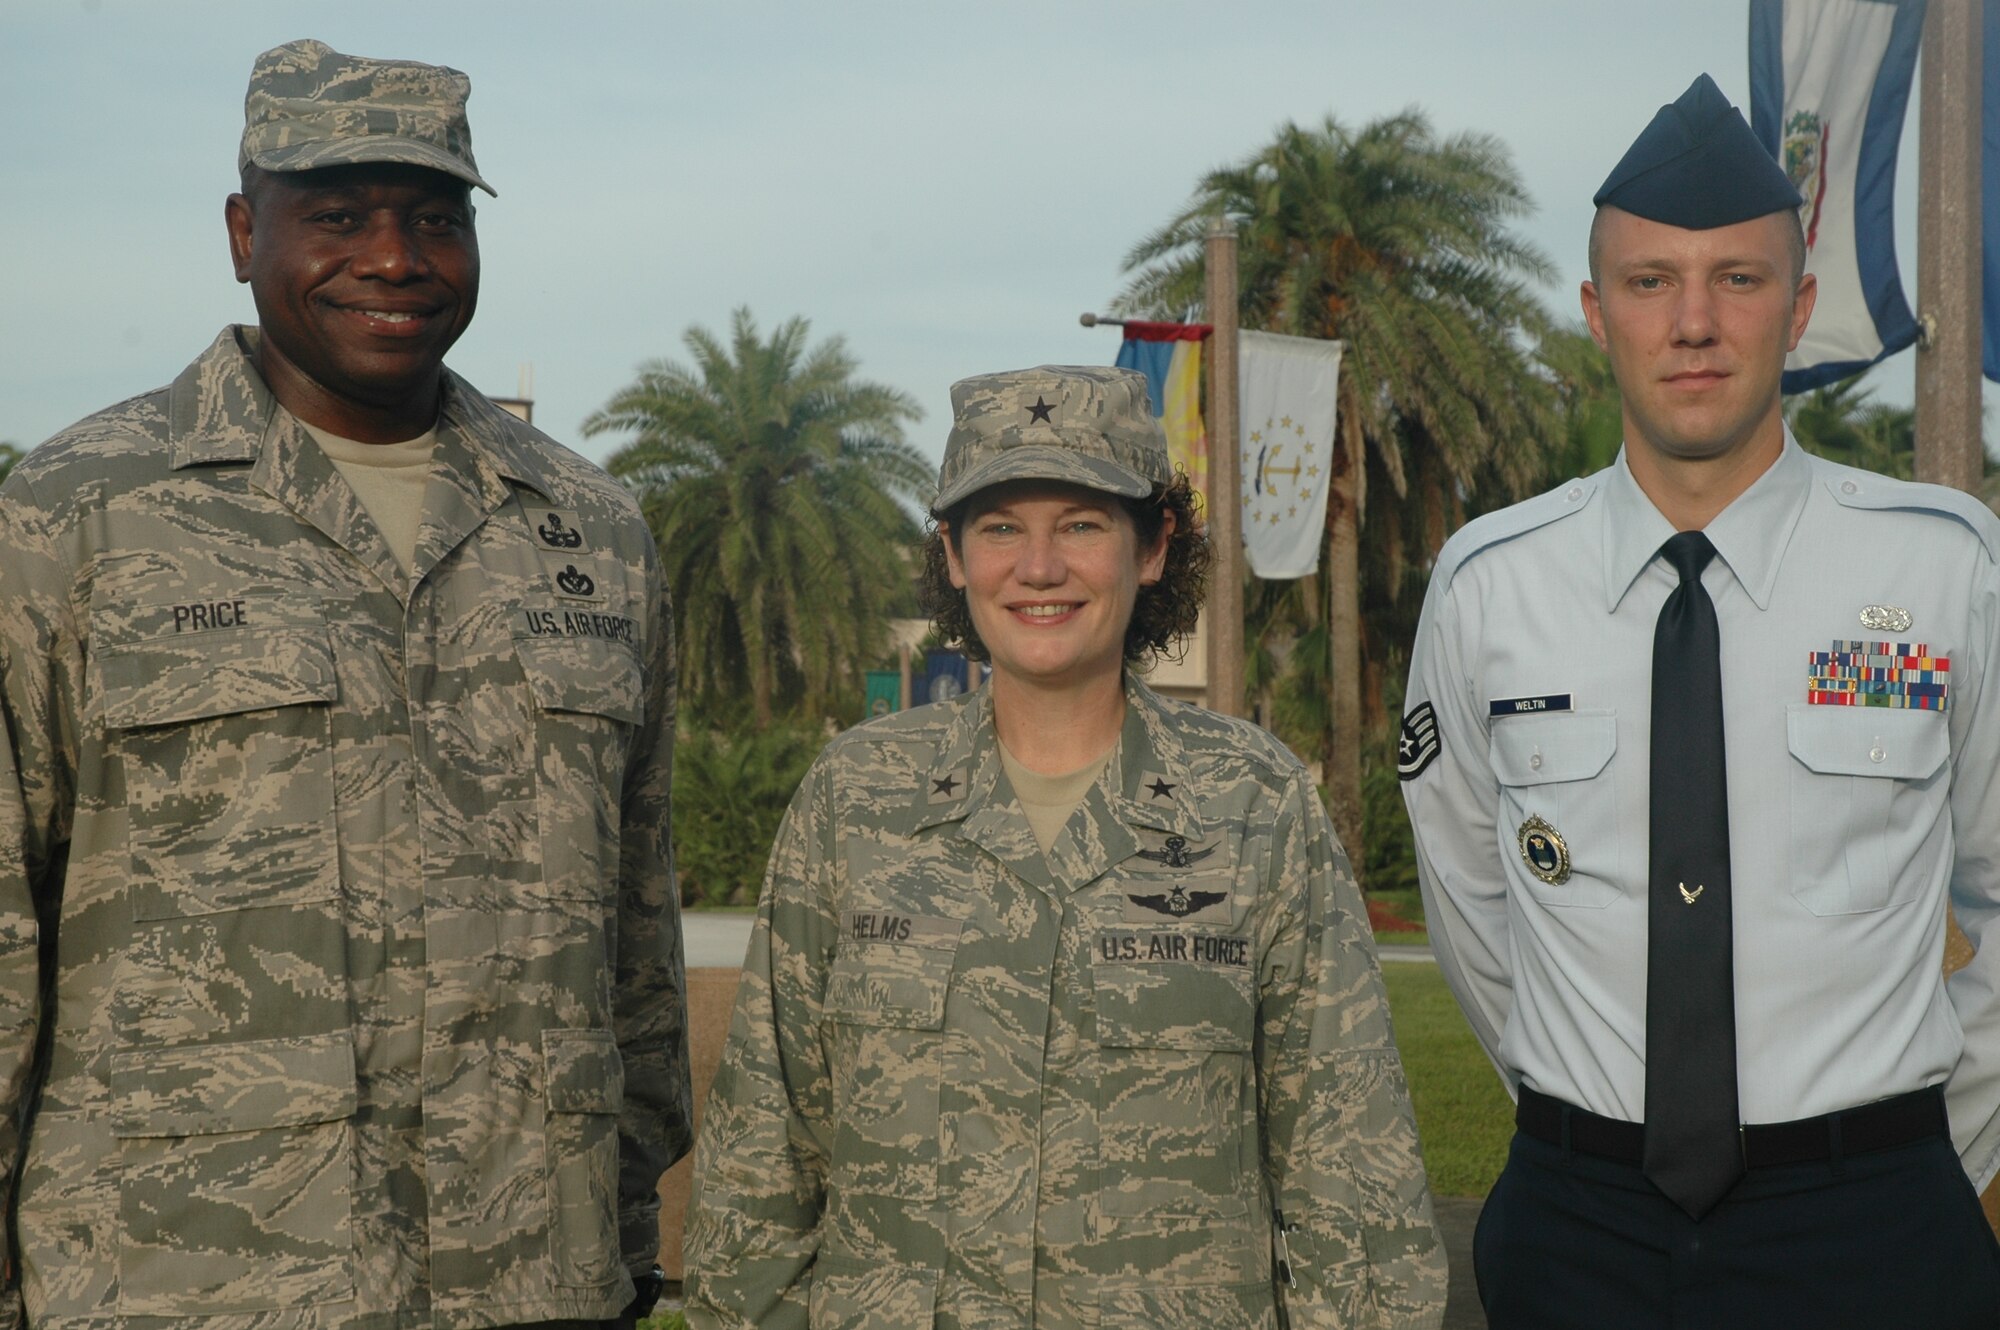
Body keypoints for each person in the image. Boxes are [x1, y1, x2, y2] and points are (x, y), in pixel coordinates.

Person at [0, 39, 690, 1328]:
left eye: (435, 217)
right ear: (241, 230)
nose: (393, 257)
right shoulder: (75, 516)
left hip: (529, 1273)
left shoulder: (592, 532)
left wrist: (625, 1234)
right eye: (336, 216)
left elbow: (634, 944)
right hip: (185, 1277)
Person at [1401, 73, 2000, 1328]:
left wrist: (1946, 1139)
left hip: (1876, 1225)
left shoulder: (1944, 566)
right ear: (1592, 312)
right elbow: (1469, 907)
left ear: (1798, 308)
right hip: (1579, 1229)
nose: (1691, 322)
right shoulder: (1486, 589)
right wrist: (1577, 1113)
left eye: (1735, 279)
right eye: (1648, 281)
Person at [683, 364, 1446, 1329]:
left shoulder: (1257, 804)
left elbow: (1350, 1171)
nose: (1038, 567)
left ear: (1155, 545)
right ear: (953, 558)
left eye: (1082, 524)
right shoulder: (856, 801)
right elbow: (764, 1153)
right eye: (1000, 526)